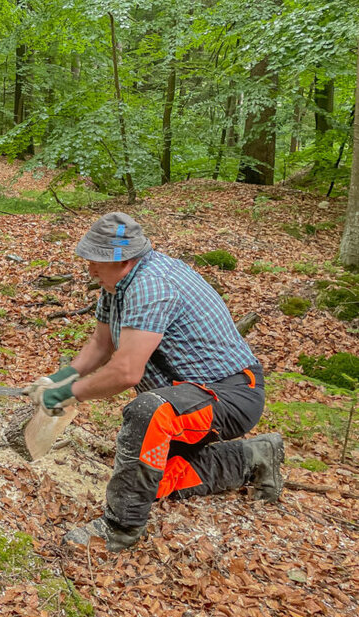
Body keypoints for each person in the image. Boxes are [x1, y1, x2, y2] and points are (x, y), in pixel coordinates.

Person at [25, 212, 284, 551]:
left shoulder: (151, 285)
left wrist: (68, 394)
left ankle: (120, 529)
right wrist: (60, 378)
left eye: (98, 261)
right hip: (186, 397)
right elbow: (101, 345)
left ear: (126, 259)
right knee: (146, 477)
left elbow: (126, 372)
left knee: (149, 412)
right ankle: (253, 457)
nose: (90, 269)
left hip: (229, 394)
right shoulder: (116, 286)